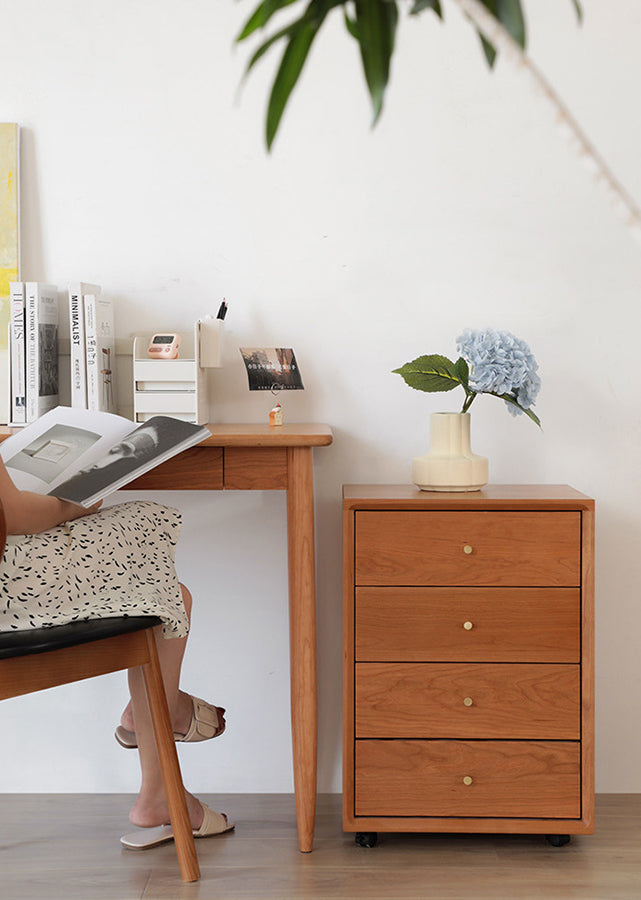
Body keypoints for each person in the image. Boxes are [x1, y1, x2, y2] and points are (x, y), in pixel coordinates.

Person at [0, 456, 233, 849]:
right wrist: (74, 505)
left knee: (168, 598)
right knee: (150, 537)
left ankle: (157, 718)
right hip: (12, 591)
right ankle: (162, 740)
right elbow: (15, 513)